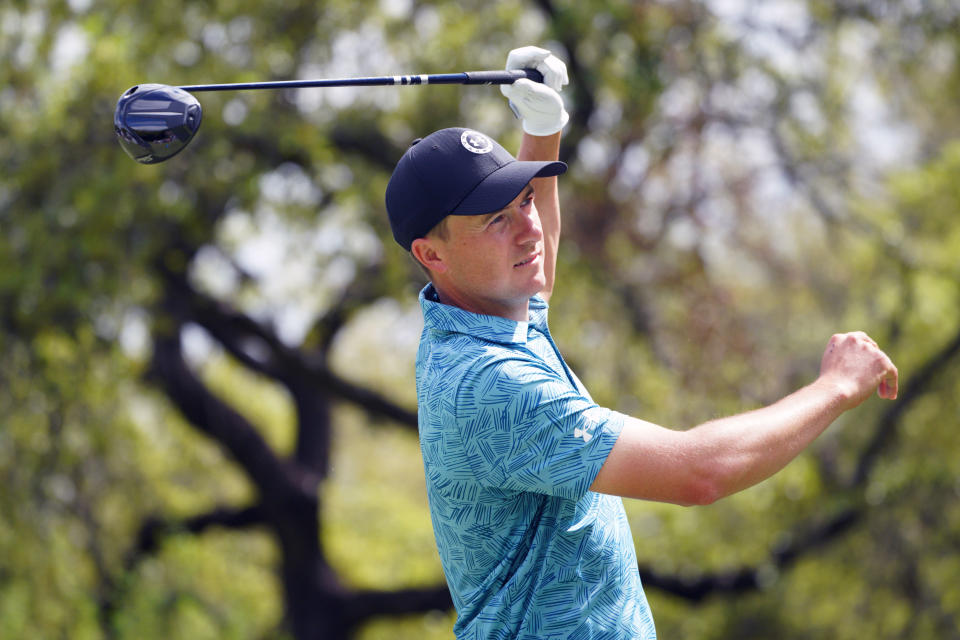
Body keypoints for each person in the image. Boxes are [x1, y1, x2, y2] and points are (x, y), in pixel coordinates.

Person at [384, 46, 899, 640]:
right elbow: (698, 474)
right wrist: (835, 387)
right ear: (432, 255)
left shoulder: (486, 316)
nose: (528, 227)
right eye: (495, 219)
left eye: (523, 199)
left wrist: (541, 130)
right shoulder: (488, 384)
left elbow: (537, 262)